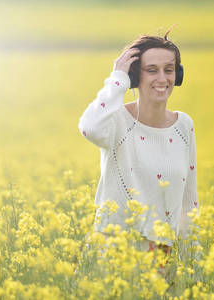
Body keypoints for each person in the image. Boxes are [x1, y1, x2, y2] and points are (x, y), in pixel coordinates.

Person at [78, 28, 200, 274]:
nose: (162, 78)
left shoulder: (184, 126)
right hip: (111, 258)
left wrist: (193, 269)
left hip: (160, 265)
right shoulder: (117, 122)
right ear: (135, 77)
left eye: (169, 69)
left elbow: (189, 203)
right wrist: (117, 79)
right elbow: (89, 128)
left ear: (178, 75)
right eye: (151, 70)